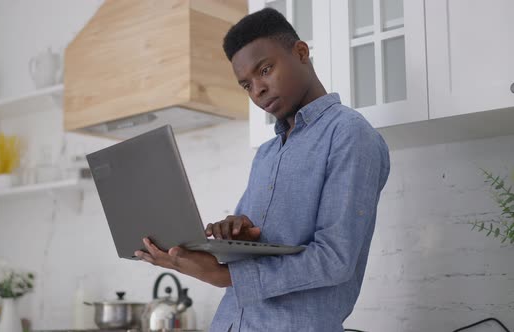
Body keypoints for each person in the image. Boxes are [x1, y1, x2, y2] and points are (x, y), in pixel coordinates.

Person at [134, 7, 390, 332]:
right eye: (246, 85)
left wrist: (220, 275)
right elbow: (250, 252)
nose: (258, 90)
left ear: (300, 52)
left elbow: (335, 260)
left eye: (265, 69)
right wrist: (236, 232)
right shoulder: (267, 154)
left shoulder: (350, 134)